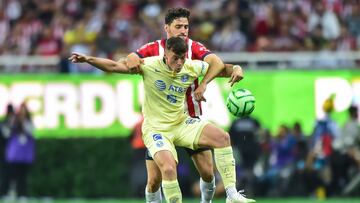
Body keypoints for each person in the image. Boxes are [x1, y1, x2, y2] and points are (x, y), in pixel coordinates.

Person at [69, 36, 255, 203]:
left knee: (222, 138)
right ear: (166, 54)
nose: (180, 62)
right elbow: (114, 66)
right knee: (166, 170)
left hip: (181, 123)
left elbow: (222, 68)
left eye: (183, 58)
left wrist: (237, 68)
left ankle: (232, 195)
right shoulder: (149, 65)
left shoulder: (191, 66)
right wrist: (88, 59)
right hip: (157, 129)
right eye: (176, 58)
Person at [125, 7, 244, 203]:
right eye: (178, 26)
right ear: (167, 28)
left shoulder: (194, 48)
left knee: (207, 172)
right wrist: (131, 58)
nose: (183, 30)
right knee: (154, 180)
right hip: (160, 125)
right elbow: (132, 57)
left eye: (186, 27)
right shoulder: (154, 48)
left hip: (188, 120)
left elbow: (218, 63)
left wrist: (231, 70)